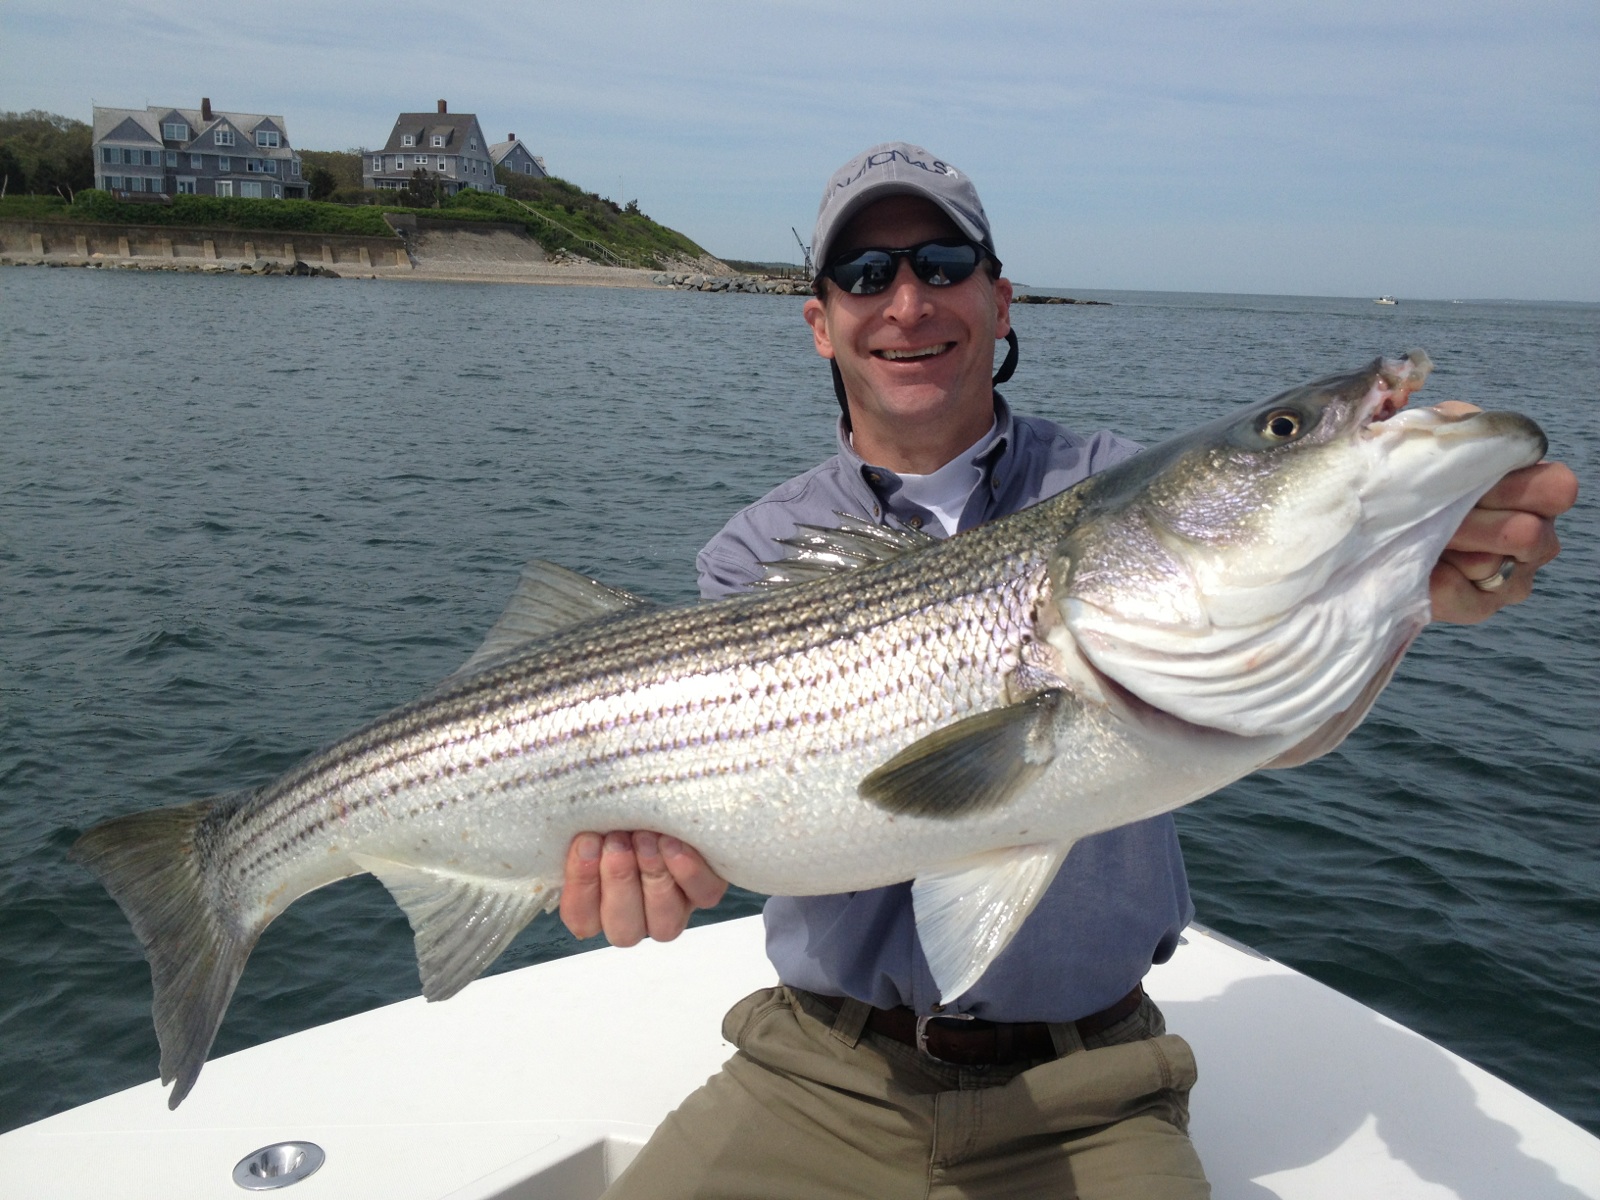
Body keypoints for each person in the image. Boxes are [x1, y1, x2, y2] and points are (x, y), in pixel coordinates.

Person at [558, 143, 1577, 1198]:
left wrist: (1403, 588)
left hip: (1093, 1090)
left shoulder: (1108, 482)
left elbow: (1271, 719)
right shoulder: (759, 550)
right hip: (817, 1070)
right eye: (865, 275)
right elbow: (740, 818)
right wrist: (648, 871)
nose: (907, 303)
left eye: (943, 263)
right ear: (821, 322)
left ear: (999, 301)